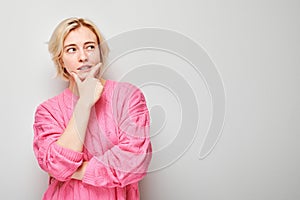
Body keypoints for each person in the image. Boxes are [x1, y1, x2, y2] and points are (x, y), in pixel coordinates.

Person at [33, 17, 152, 200]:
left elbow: (132, 164)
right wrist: (84, 103)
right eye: (71, 50)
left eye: (90, 47)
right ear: (61, 60)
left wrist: (73, 169)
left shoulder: (128, 97)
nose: (83, 57)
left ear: (100, 53)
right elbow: (56, 167)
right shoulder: (47, 112)